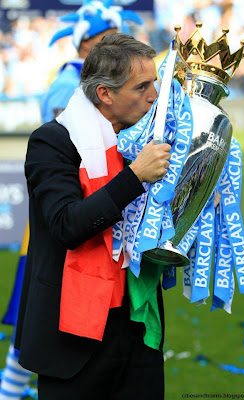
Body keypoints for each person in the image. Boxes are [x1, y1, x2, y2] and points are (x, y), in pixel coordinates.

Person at [15, 33, 171, 400]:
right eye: (143, 87)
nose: (154, 96)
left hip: (135, 325)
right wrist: (133, 177)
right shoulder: (52, 141)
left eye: (155, 84)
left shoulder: (144, 138)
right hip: (73, 336)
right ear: (105, 93)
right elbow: (68, 225)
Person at [0, 3, 141, 399]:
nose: (116, 46)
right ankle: (9, 391)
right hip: (70, 241)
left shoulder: (115, 98)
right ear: (85, 47)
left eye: (119, 37)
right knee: (38, 324)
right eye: (106, 40)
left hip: (108, 257)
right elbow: (69, 199)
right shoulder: (67, 92)